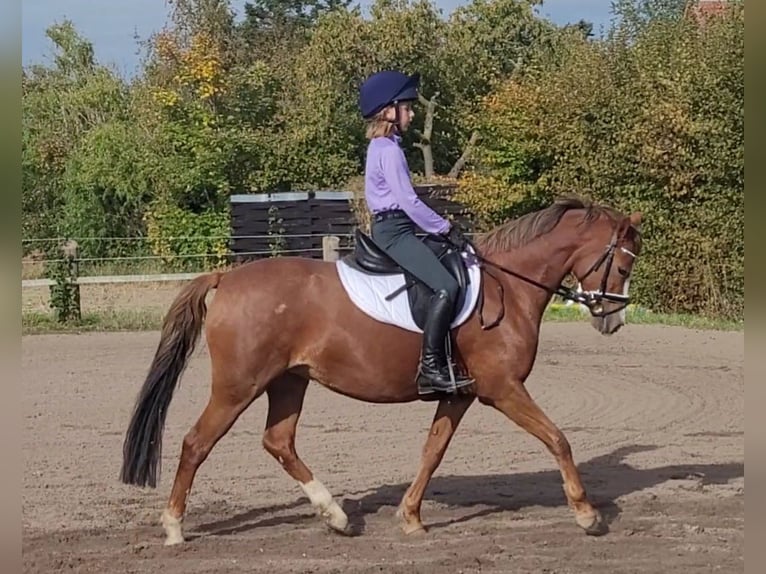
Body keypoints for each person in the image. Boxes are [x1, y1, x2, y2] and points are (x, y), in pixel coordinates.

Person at [358, 69, 473, 399]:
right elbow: (408, 200)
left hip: (397, 227)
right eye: (407, 107)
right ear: (389, 111)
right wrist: (445, 227)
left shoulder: (385, 145)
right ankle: (432, 369)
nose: (411, 113)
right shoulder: (388, 150)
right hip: (394, 232)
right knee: (446, 285)